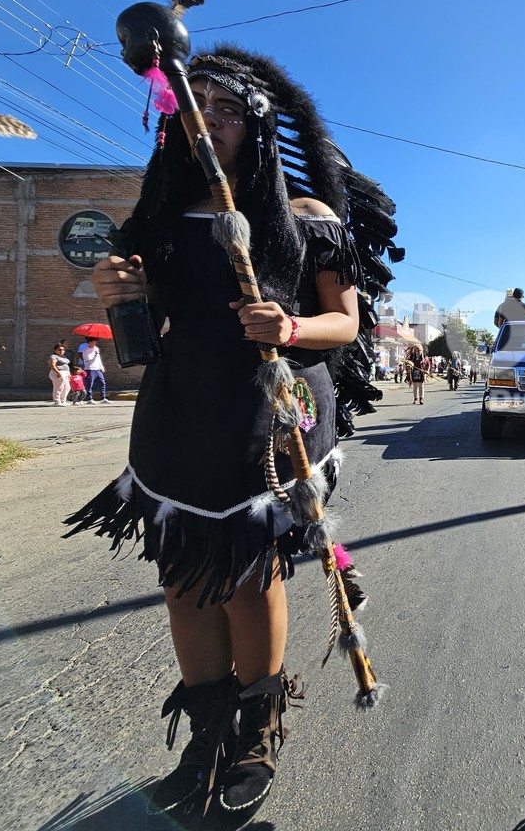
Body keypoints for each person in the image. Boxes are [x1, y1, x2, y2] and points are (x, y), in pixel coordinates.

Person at [65, 45, 394, 825]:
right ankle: (206, 732)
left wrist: (288, 324)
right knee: (183, 581)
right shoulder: (159, 221)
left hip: (270, 420)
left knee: (250, 581)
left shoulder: (310, 221)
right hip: (180, 417)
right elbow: (138, 334)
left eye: (221, 109)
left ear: (256, 123)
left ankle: (256, 728)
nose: (205, 120)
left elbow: (343, 324)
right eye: (191, 108)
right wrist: (119, 290)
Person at [81, 337, 108, 403]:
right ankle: (89, 399)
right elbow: (89, 360)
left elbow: (99, 359)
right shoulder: (86, 350)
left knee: (102, 383)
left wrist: (101, 367)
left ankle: (103, 398)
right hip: (90, 369)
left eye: (95, 342)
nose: (94, 343)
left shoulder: (96, 348)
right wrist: (95, 355)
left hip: (97, 369)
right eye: (93, 342)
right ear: (89, 342)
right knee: (90, 384)